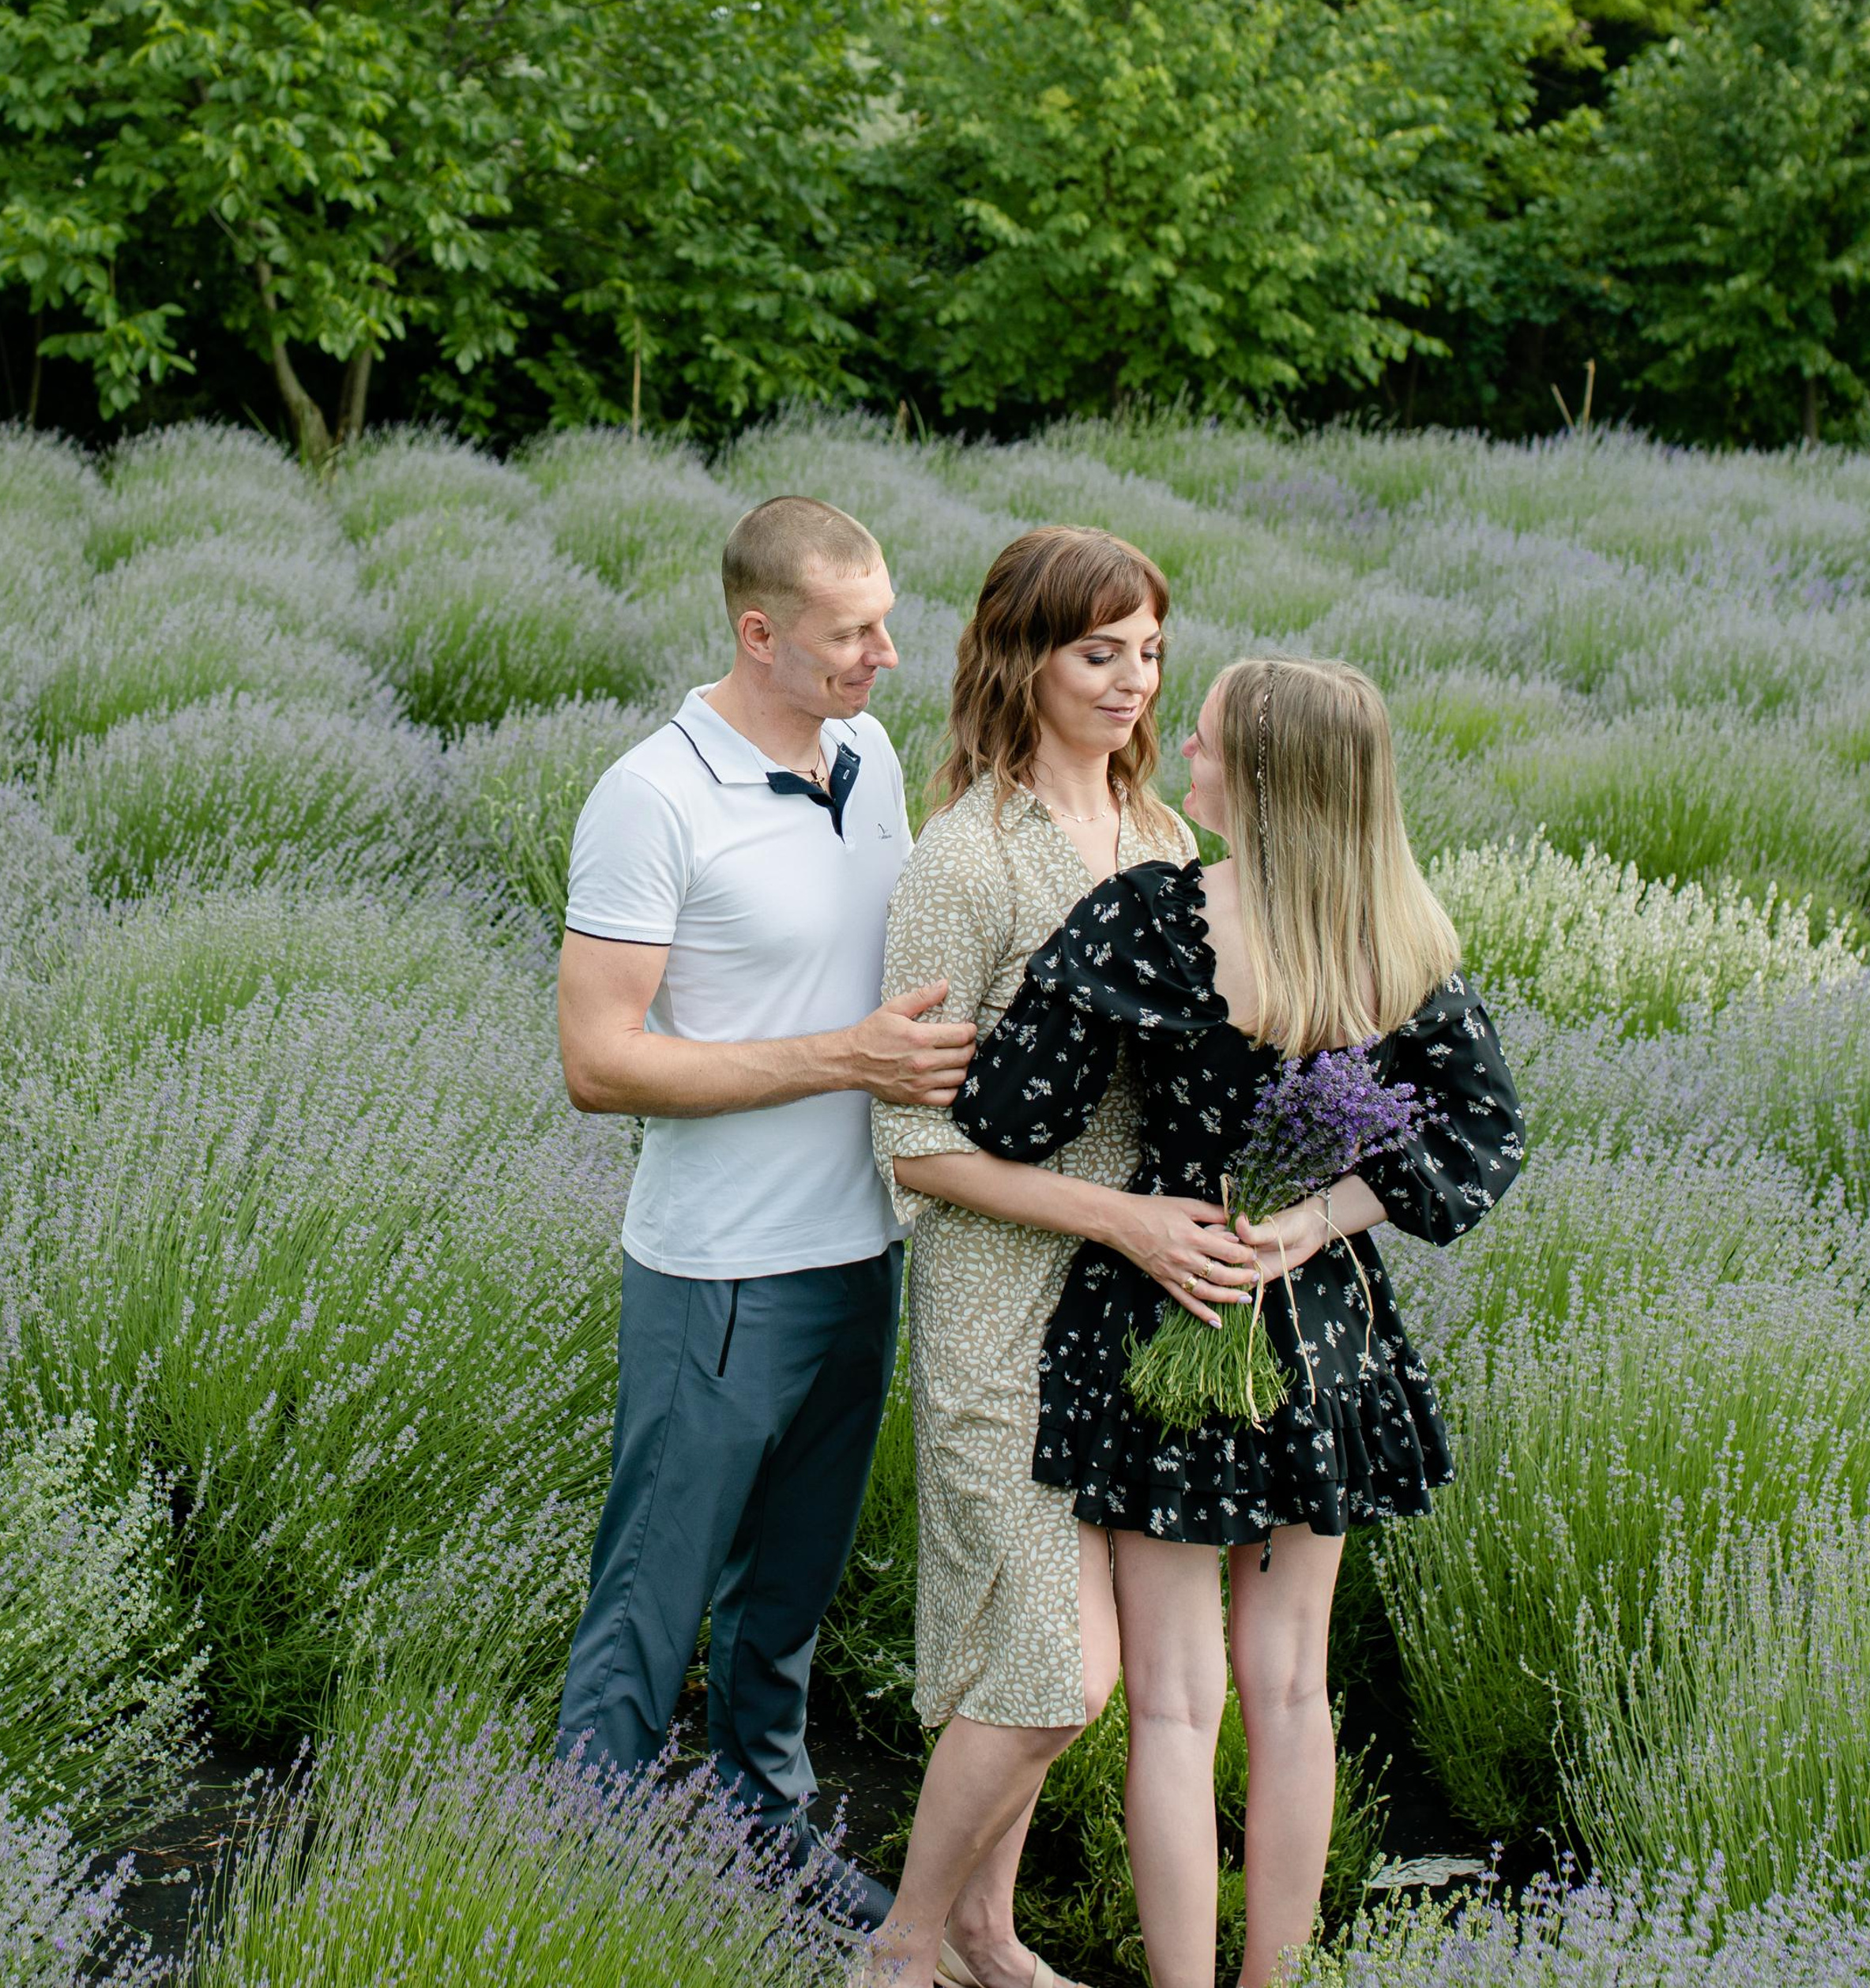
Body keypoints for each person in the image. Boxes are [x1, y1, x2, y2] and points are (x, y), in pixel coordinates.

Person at [951, 657, 1526, 1987]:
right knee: (1291, 1688)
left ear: (1260, 777)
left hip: (1171, 1304)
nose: (1182, 751)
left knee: (1173, 1702)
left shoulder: (1151, 917)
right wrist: (1317, 1220)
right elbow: (1483, 1135)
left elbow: (1010, 1119)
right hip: (1319, 1337)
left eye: (1204, 739)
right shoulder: (1399, 941)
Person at [552, 495, 977, 1928]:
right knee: (652, 1596)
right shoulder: (652, 796)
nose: (886, 656)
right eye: (853, 634)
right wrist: (847, 1058)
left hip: (863, 1249)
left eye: (885, 623)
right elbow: (600, 1064)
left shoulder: (870, 755)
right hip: (720, 1273)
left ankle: (763, 1832)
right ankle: (578, 1872)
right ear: (759, 633)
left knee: (788, 1593)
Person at [867, 528, 1259, 1988]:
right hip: (1003, 1290)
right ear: (1023, 658)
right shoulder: (965, 859)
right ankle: (904, 1947)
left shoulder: (1165, 841)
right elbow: (914, 1150)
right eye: (1098, 651)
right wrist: (1123, 1218)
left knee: (1046, 1656)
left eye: (1149, 651)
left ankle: (986, 1929)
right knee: (1052, 1675)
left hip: (1137, 1301)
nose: (1132, 679)